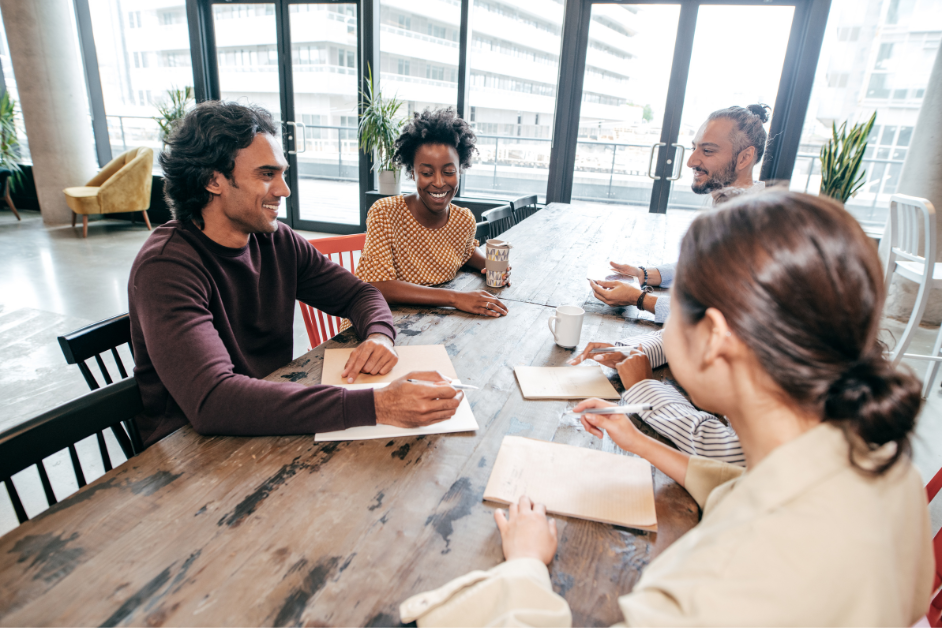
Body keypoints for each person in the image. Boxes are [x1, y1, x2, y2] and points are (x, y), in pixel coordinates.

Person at [399, 191, 933, 626]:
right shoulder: (888, 473)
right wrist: (646, 446)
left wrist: (523, 569)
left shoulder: (714, 584)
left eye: (671, 307)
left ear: (715, 337)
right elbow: (744, 488)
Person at [129, 101, 463, 447]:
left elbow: (360, 294)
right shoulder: (166, 267)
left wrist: (379, 335)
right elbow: (213, 399)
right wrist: (378, 404)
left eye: (282, 174)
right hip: (188, 453)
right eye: (266, 174)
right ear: (214, 180)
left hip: (268, 420)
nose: (284, 190)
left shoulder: (275, 240)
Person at [589, 104, 772, 319]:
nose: (691, 161)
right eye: (694, 148)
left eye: (708, 151)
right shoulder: (735, 205)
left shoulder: (754, 226)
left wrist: (639, 299)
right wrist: (644, 274)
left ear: (744, 157)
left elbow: (714, 315)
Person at [348, 108, 508, 323]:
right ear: (412, 172)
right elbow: (379, 285)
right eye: (426, 173)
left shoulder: (464, 220)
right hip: (379, 323)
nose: (439, 182)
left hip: (429, 323)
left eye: (449, 172)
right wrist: (456, 298)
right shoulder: (385, 212)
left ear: (460, 170)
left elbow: (465, 251)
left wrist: (489, 265)